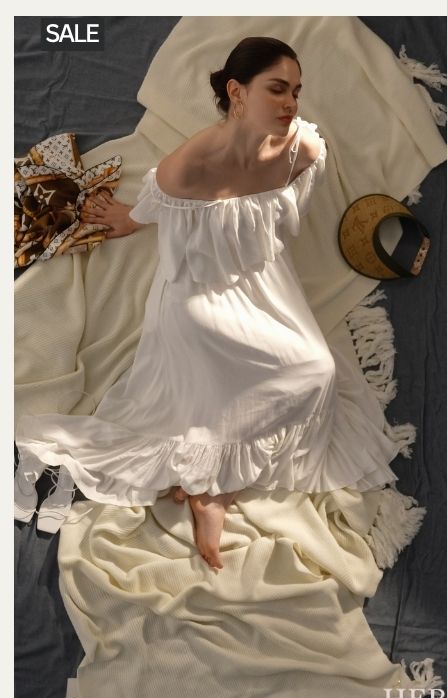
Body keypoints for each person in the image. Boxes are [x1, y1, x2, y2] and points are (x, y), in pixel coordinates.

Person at [15, 36, 401, 571]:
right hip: (197, 291)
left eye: (296, 91)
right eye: (277, 89)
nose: (290, 103)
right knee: (202, 376)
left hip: (263, 280)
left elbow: (285, 216)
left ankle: (214, 485)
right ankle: (208, 487)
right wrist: (124, 219)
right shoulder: (190, 163)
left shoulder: (303, 149)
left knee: (315, 373)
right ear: (237, 92)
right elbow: (151, 210)